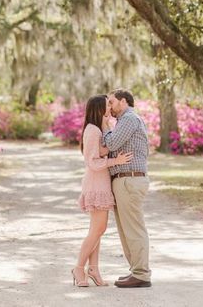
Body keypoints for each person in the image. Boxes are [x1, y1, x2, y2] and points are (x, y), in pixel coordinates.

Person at [72, 94, 133, 288]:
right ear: (100, 108)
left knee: (96, 230)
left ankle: (94, 269)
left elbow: (105, 147)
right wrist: (117, 161)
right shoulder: (91, 130)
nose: (111, 108)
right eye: (108, 105)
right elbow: (92, 162)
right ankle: (79, 268)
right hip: (95, 183)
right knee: (99, 229)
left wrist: (106, 124)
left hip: (102, 183)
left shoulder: (100, 128)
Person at [102, 88, 151, 288]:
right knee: (125, 230)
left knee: (134, 229)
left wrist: (104, 125)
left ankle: (141, 274)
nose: (110, 107)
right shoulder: (124, 121)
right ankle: (136, 271)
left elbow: (112, 144)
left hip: (129, 181)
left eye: (112, 102)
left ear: (123, 101)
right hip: (124, 180)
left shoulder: (129, 119)